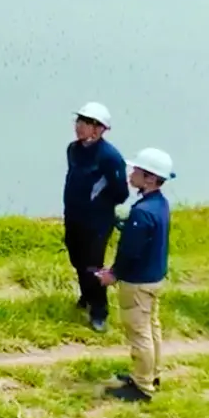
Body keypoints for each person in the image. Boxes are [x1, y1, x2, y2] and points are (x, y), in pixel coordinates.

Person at [99, 148, 175, 404]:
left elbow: (130, 250)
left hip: (138, 283)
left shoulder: (142, 211)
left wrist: (113, 274)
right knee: (152, 328)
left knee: (139, 332)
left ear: (150, 179)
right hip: (154, 278)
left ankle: (142, 388)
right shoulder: (159, 204)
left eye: (137, 171)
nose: (131, 174)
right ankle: (152, 375)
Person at [63, 102, 128, 332]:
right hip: (73, 216)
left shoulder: (110, 157)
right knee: (76, 259)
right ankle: (86, 295)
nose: (79, 126)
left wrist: (98, 205)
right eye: (78, 121)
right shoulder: (73, 149)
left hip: (97, 222)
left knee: (92, 265)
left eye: (85, 123)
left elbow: (121, 192)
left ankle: (99, 311)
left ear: (99, 129)